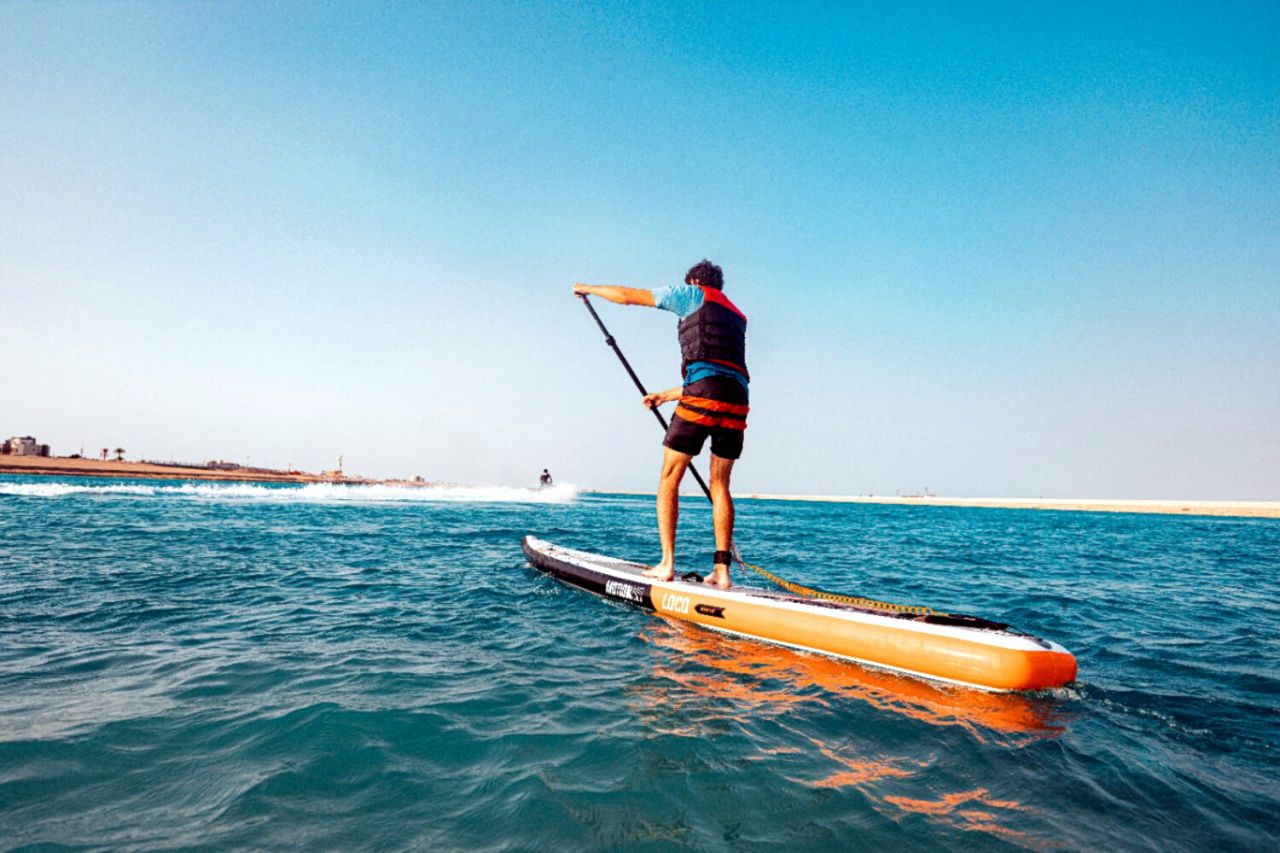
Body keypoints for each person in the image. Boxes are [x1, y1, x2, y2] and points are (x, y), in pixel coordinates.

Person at [572, 259, 747, 589]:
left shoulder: (690, 294)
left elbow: (627, 296)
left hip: (701, 396)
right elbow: (718, 372)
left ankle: (666, 564)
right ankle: (722, 572)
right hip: (737, 400)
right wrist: (664, 397)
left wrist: (588, 289)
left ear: (695, 280)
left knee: (669, 477)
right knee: (720, 484)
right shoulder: (738, 316)